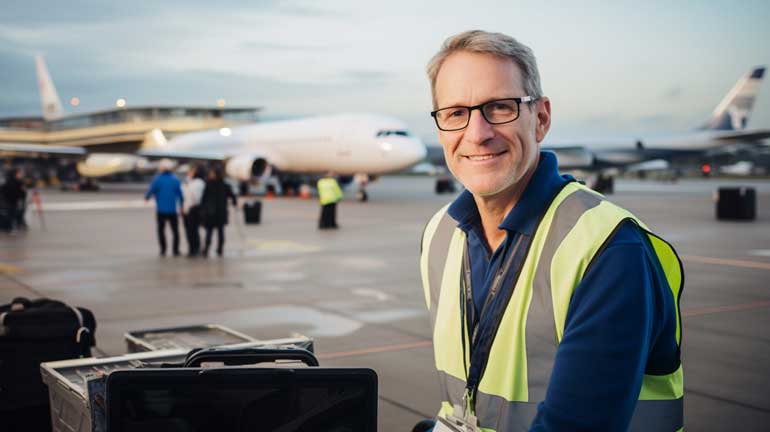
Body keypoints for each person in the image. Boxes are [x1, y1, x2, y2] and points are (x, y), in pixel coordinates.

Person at [419, 30, 684, 431]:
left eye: (500, 107)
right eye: (456, 113)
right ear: (440, 127)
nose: (477, 134)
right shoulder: (440, 234)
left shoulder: (609, 249)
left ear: (540, 119)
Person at [145, 159, 183, 256]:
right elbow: (180, 194)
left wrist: (147, 197)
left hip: (161, 209)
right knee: (175, 231)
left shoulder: (157, 179)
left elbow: (151, 190)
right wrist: (182, 205)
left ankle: (163, 249)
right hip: (172, 209)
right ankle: (175, 250)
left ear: (162, 168)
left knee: (161, 230)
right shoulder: (175, 180)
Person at [200, 167, 237, 257]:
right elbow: (232, 196)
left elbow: (204, 198)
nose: (210, 175)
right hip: (220, 212)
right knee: (219, 232)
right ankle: (218, 249)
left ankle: (208, 249)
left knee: (211, 232)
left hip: (212, 212)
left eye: (212, 173)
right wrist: (234, 202)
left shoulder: (209, 184)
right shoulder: (224, 185)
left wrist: (203, 209)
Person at [181, 165, 205, 257]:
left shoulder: (199, 183)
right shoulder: (187, 182)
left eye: (191, 171)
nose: (189, 173)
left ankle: (196, 248)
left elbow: (197, 197)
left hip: (194, 209)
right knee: (188, 231)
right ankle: (191, 248)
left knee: (193, 230)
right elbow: (183, 194)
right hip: (186, 208)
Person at [1, 168, 27, 233]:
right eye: (19, 174)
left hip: (13, 201)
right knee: (12, 214)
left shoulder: (15, 182)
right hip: (12, 201)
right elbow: (21, 192)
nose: (20, 175)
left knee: (15, 213)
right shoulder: (16, 182)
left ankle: (15, 226)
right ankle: (10, 227)